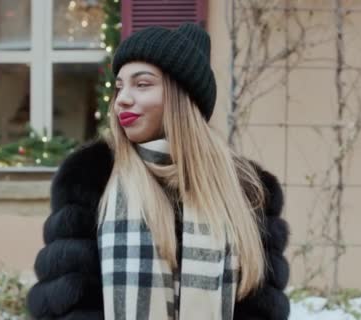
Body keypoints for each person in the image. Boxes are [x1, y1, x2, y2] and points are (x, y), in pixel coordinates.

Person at [26, 22, 290, 320]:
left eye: (142, 84)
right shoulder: (92, 176)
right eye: (119, 86)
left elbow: (260, 306)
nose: (122, 98)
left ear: (182, 98)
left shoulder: (248, 189)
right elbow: (64, 302)